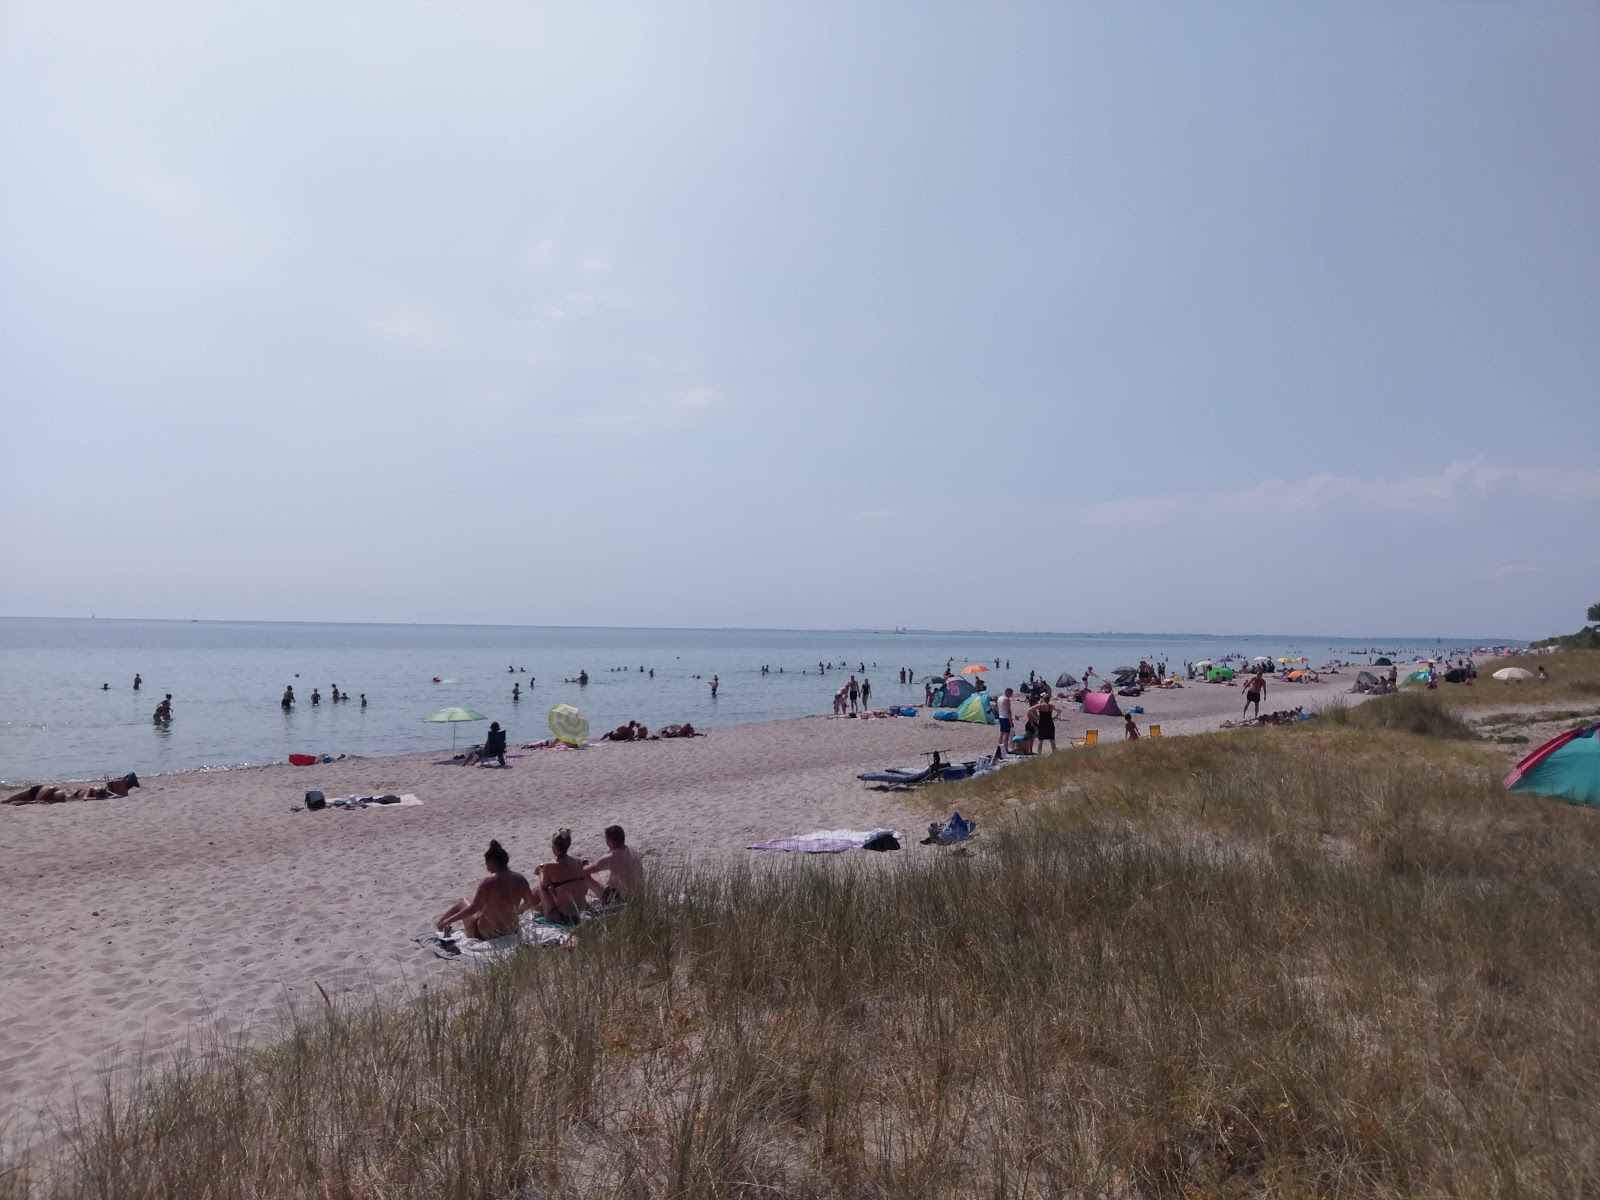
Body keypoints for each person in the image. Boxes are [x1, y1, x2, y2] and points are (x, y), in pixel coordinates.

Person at [435, 840, 536, 940]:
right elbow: (530, 902)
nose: (487, 869)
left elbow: (472, 909)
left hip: (486, 935)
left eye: (486, 864)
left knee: (463, 901)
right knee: (484, 906)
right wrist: (514, 912)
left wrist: (449, 920)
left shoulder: (488, 882)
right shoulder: (520, 879)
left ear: (491, 862)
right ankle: (442, 923)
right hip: (511, 930)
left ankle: (441, 924)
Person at [535, 828, 589, 924]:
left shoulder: (549, 866)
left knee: (540, 889)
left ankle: (521, 909)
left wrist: (540, 873)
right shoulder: (578, 862)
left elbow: (544, 886)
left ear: (555, 846)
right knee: (558, 887)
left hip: (564, 917)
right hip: (581, 910)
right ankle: (525, 907)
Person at [584, 824, 645, 905]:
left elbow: (585, 870)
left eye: (606, 839)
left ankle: (579, 901)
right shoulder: (634, 852)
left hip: (619, 900)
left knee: (584, 876)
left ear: (611, 841)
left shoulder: (611, 856)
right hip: (637, 898)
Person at [995, 687, 1014, 759]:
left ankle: (1000, 746)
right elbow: (1008, 711)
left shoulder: (1000, 698)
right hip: (1006, 718)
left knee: (1001, 733)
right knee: (1006, 735)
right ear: (1007, 692)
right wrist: (1011, 721)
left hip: (1001, 717)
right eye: (1010, 694)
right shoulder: (1006, 699)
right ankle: (1005, 749)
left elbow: (997, 707)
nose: (1011, 695)